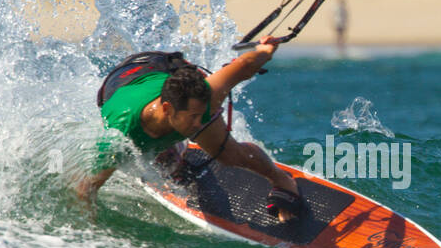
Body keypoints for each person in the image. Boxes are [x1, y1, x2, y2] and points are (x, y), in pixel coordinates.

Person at [74, 40, 304, 221]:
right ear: (167, 109)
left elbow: (245, 65)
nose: (199, 124)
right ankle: (168, 152)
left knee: (229, 154)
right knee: (159, 159)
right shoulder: (121, 134)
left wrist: (266, 49)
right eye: (193, 117)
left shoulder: (205, 97)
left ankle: (283, 180)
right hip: (124, 80)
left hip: (167, 68)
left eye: (201, 115)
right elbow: (86, 189)